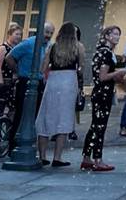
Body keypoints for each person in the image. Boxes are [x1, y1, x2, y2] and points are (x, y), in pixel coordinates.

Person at [34, 22, 83, 167]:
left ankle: (42, 156)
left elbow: (43, 67)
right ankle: (57, 157)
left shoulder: (52, 47)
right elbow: (81, 68)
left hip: (53, 81)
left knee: (46, 116)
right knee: (64, 118)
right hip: (69, 81)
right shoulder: (78, 47)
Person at [82, 25, 126, 172]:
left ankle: (87, 158)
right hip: (103, 93)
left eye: (118, 34)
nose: (117, 37)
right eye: (114, 34)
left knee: (95, 126)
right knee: (100, 126)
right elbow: (103, 77)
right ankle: (98, 159)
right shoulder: (106, 53)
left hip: (100, 92)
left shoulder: (102, 52)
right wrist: (119, 72)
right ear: (107, 36)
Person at [6, 20, 54, 152]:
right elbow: (9, 57)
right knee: (21, 114)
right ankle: (13, 146)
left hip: (39, 83)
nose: (48, 35)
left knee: (35, 115)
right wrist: (18, 71)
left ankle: (29, 144)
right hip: (25, 81)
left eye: (51, 33)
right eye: (46, 32)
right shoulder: (28, 43)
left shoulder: (48, 46)